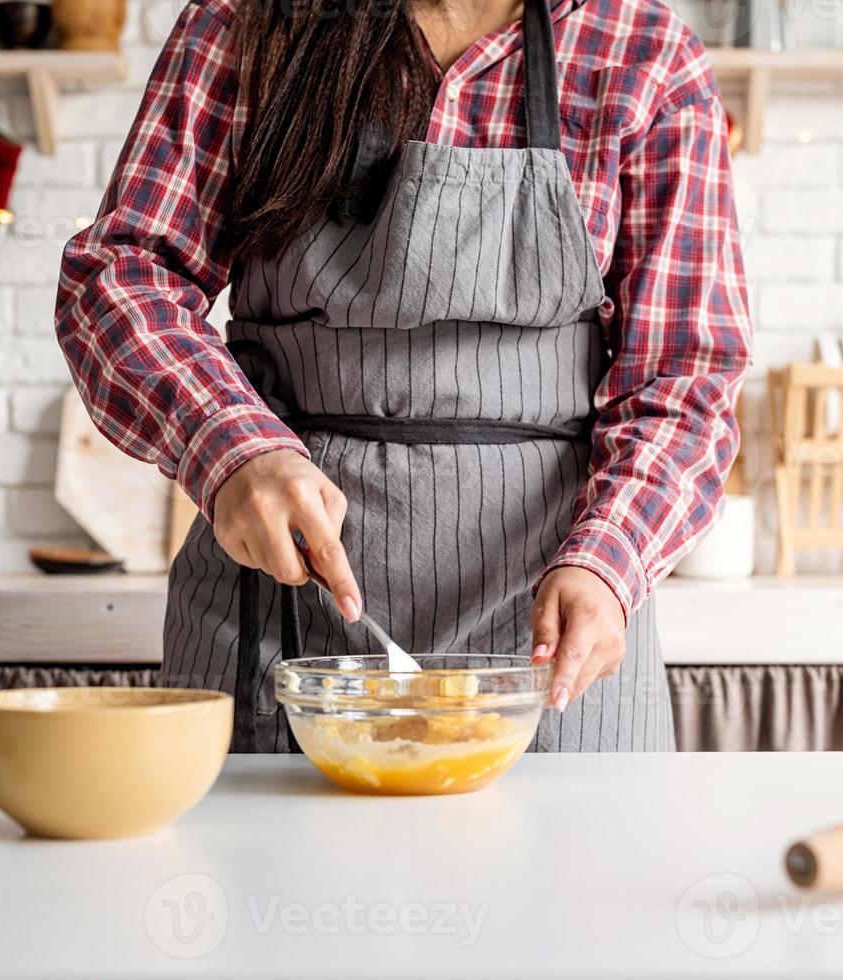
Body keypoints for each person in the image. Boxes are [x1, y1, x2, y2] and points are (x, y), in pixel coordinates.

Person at [55, 0, 750, 752]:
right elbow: (122, 276)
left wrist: (610, 562)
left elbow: (685, 379)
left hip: (554, 634)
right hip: (279, 616)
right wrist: (234, 449)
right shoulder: (247, 25)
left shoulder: (642, 53)